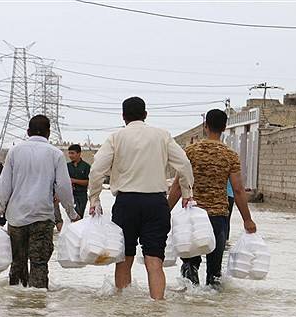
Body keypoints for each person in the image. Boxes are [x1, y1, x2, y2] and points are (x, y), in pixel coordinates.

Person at [88, 97, 194, 300]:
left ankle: (124, 310)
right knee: (154, 261)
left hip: (126, 204)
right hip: (156, 203)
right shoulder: (162, 136)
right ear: (145, 115)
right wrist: (187, 192)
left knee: (124, 259)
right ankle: (157, 309)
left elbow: (96, 169)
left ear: (123, 116)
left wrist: (94, 198)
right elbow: (184, 164)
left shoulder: (116, 137)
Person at [0, 115, 80, 289]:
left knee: (17, 263)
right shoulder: (56, 154)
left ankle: (17, 306)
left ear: (27, 132)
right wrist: (72, 214)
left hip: (16, 217)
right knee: (39, 264)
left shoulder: (15, 151)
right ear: (49, 133)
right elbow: (64, 188)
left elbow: (4, 185)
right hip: (42, 217)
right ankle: (36, 308)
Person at [168, 109, 257, 287]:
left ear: (205, 126)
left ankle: (191, 300)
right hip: (218, 216)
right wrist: (248, 220)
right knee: (215, 272)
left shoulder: (191, 152)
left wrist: (164, 212)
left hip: (192, 217)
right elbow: (238, 190)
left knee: (189, 266)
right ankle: (213, 309)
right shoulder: (230, 155)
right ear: (224, 128)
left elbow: (178, 185)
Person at [67, 144, 91, 218]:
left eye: (72, 153)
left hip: (81, 196)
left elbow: (88, 182)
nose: (70, 155)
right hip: (70, 195)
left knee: (79, 217)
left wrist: (74, 181)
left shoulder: (86, 166)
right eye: (69, 153)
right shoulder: (66, 166)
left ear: (79, 153)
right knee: (71, 218)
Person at [225, 179, 234, 246]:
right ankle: (226, 239)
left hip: (225, 196)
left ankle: (225, 239)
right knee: (227, 219)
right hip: (230, 196)